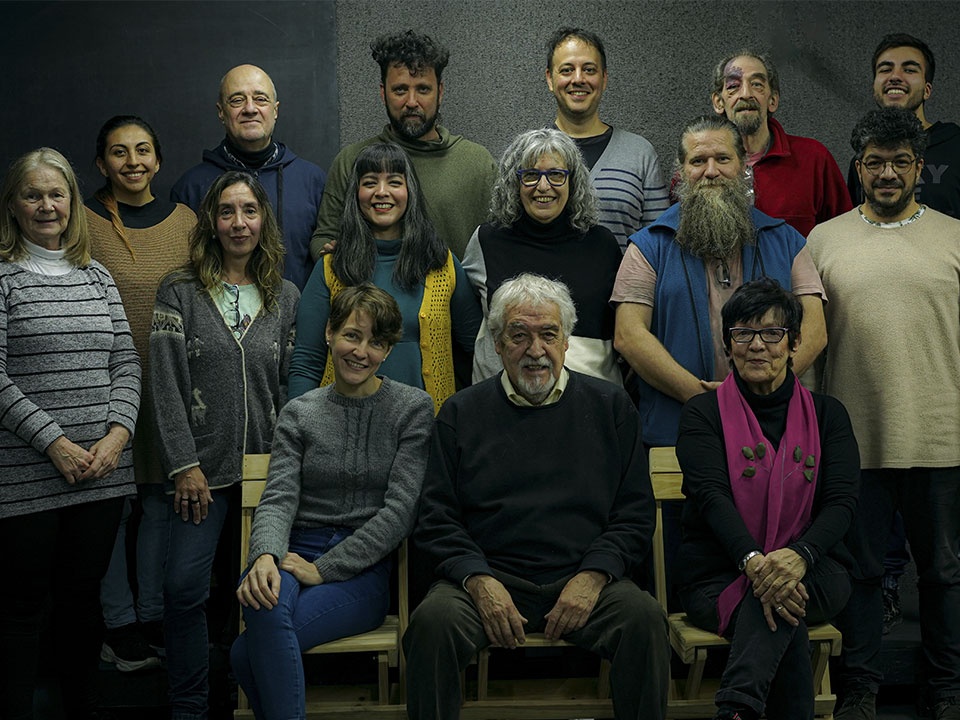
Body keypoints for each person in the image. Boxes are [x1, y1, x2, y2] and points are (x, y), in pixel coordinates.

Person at [403, 273, 669, 720]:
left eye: (549, 334)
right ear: (496, 344)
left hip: (586, 580)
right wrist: (479, 581)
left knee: (643, 619)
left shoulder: (611, 408)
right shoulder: (460, 413)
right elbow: (436, 517)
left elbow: (634, 515)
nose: (535, 349)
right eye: (519, 335)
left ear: (567, 342)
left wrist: (594, 576)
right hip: (489, 580)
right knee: (432, 623)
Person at [808, 107, 960, 720]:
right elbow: (811, 346)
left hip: (942, 436)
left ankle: (946, 689)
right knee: (863, 574)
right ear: (859, 167)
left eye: (901, 161)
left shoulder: (955, 235)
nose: (888, 173)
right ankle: (860, 689)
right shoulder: (824, 240)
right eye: (876, 162)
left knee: (944, 574)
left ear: (919, 167)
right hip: (855, 440)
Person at [231, 283, 434, 720]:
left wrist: (325, 568)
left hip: (361, 570)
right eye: (351, 335)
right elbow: (279, 495)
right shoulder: (300, 412)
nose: (361, 351)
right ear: (328, 333)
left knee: (246, 651)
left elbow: (400, 513)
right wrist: (264, 554)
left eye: (376, 342)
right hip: (291, 551)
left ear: (387, 349)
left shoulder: (412, 409)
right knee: (262, 601)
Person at [152, 171, 299, 719]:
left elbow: (289, 383)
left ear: (264, 221)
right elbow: (164, 383)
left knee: (259, 594)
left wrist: (287, 465)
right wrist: (182, 463)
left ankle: (254, 697)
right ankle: (189, 704)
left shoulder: (285, 295)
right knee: (185, 589)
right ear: (211, 222)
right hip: (201, 473)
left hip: (266, 472)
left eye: (250, 211)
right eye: (227, 212)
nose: (239, 223)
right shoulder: (180, 290)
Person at [676, 278, 859, 720]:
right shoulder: (701, 414)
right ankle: (739, 709)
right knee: (779, 607)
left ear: (794, 343)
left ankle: (736, 709)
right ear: (728, 343)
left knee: (777, 597)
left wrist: (799, 555)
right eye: (743, 333)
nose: (757, 345)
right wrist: (756, 562)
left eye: (772, 334)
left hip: (814, 568)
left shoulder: (828, 415)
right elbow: (711, 497)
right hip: (717, 572)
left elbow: (842, 503)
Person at [0, 148, 141, 719]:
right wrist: (54, 443)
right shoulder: (3, 278)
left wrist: (117, 436)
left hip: (101, 477)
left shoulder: (97, 274)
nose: (46, 205)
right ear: (13, 204)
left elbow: (126, 362)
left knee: (84, 607)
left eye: (56, 194)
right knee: (21, 611)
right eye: (33, 195)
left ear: (73, 203)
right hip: (27, 479)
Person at [612, 115, 827, 448]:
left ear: (743, 166)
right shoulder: (648, 245)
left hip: (774, 432)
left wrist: (764, 389)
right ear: (682, 172)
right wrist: (701, 397)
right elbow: (629, 335)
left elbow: (815, 331)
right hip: (678, 431)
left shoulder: (788, 242)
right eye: (698, 161)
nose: (710, 171)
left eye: (722, 159)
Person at [87, 114, 196, 672]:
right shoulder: (83, 220)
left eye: (143, 150)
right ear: (101, 162)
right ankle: (117, 622)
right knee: (111, 506)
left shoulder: (186, 222)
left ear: (158, 159)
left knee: (158, 503)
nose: (132, 162)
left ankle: (151, 617)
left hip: (168, 382)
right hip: (101, 382)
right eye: (119, 152)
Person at [289, 142, 481, 412]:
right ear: (356, 193)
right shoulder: (332, 267)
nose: (382, 192)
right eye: (369, 182)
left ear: (409, 191)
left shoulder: (441, 265)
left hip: (428, 430)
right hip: (341, 431)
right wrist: (297, 430)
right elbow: (306, 362)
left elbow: (479, 349)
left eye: (394, 182)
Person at [311, 30, 496, 261]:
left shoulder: (477, 163)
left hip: (454, 295)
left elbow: (501, 244)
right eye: (400, 90)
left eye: (423, 89)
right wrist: (333, 256)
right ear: (383, 93)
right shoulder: (352, 160)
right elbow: (324, 238)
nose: (411, 102)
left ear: (440, 92)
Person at [463, 128, 622, 386]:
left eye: (556, 175)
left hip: (590, 400)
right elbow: (467, 325)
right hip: (506, 403)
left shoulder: (601, 244)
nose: (543, 186)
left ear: (574, 182)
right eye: (531, 175)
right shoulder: (486, 241)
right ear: (514, 183)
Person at [171, 64, 326, 290]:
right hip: (218, 320)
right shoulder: (191, 187)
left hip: (297, 321)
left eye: (261, 99)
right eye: (237, 100)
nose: (250, 108)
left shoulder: (312, 181)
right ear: (221, 111)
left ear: (275, 110)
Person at [545, 28, 668, 251]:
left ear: (604, 79)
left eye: (589, 70)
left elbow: (659, 246)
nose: (578, 79)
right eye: (567, 70)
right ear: (550, 79)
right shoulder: (528, 155)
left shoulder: (640, 154)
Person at [710, 50, 851, 237]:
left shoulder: (814, 159)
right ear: (719, 102)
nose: (746, 94)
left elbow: (844, 234)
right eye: (733, 86)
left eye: (757, 84)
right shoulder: (701, 165)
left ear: (773, 100)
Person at [848, 34, 960, 219]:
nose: (895, 77)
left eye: (909, 70)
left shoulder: (955, 145)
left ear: (927, 90)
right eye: (885, 69)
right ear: (875, 87)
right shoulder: (863, 159)